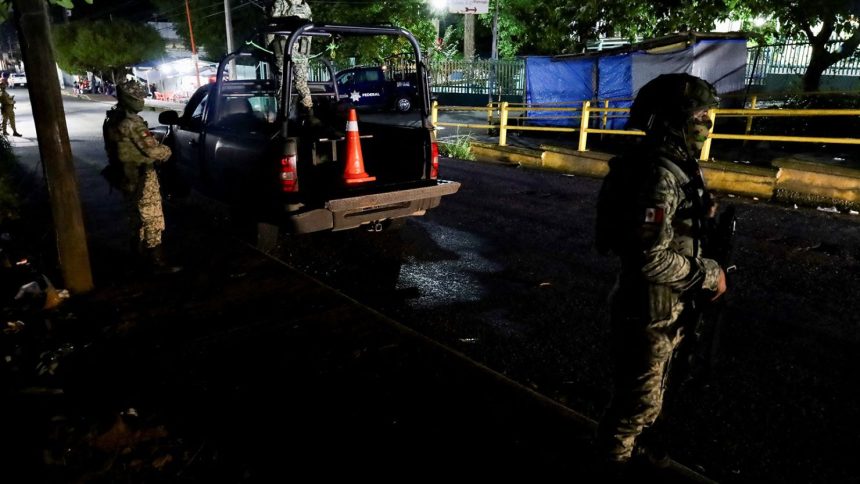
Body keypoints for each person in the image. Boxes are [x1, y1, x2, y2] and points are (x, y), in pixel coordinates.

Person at [594, 73, 728, 477]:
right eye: (700, 115)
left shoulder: (673, 165)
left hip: (666, 303)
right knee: (637, 405)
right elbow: (648, 257)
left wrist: (699, 217)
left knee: (653, 397)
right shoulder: (659, 173)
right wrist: (709, 274)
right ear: (675, 118)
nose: (706, 123)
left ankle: (640, 456)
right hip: (650, 307)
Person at [103, 80, 180, 273]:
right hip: (142, 175)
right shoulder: (133, 122)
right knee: (152, 218)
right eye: (138, 96)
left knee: (135, 218)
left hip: (125, 175)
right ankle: (157, 262)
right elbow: (153, 151)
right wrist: (167, 151)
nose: (141, 100)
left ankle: (138, 258)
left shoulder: (112, 119)